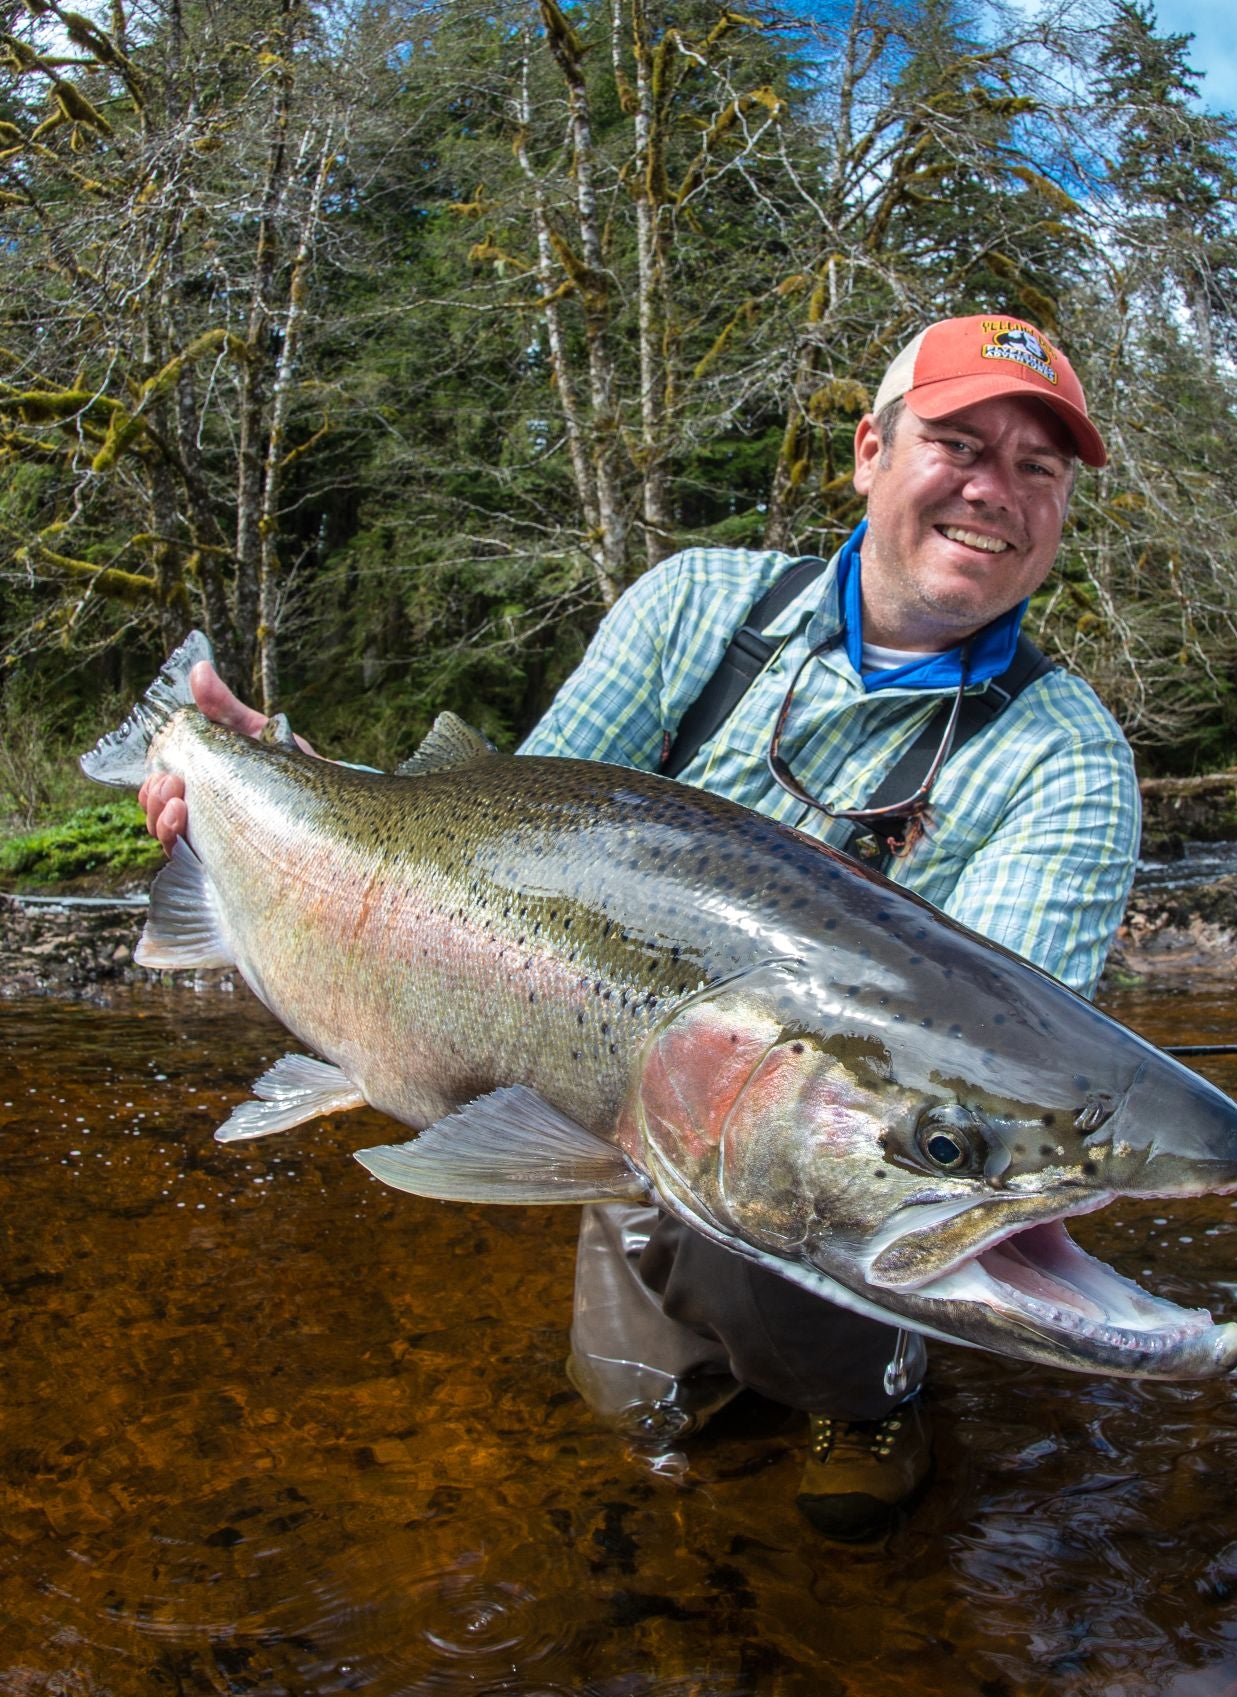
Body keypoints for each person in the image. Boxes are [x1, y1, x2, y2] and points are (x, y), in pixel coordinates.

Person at [139, 313, 1140, 1543]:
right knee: (630, 1424)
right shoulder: (694, 607)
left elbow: (990, 1080)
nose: (996, 489)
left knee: (825, 1211)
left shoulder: (1069, 760)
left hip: (802, 1143)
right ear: (872, 451)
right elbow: (489, 834)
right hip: (606, 1109)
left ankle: (863, 1401)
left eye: (1037, 468)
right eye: (959, 443)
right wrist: (277, 782)